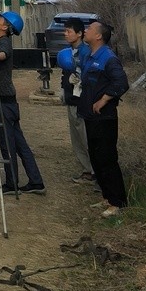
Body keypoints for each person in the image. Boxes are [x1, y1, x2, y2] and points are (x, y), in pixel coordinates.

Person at [0, 11, 46, 195]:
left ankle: (12, 184)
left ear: (6, 27)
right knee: (19, 143)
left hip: (3, 101)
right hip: (7, 100)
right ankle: (36, 182)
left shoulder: (3, 42)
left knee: (7, 143)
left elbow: (4, 54)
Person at [79, 21, 129, 217]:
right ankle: (107, 197)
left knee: (107, 159)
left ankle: (118, 203)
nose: (85, 31)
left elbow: (121, 82)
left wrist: (104, 99)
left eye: (89, 29)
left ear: (99, 36)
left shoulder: (108, 58)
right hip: (91, 117)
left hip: (104, 118)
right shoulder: (91, 56)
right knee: (96, 158)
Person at [56, 17, 94, 184]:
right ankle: (87, 170)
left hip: (82, 102)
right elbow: (66, 74)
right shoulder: (69, 52)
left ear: (79, 33)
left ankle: (94, 172)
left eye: (69, 31)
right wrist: (63, 89)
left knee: (85, 137)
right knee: (77, 139)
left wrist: (80, 82)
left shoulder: (85, 52)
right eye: (65, 31)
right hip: (71, 98)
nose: (65, 34)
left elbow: (89, 76)